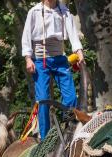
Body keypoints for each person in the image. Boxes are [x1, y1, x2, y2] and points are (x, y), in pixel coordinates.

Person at [22, 0, 85, 140]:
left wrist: (79, 53)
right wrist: (28, 58)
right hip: (40, 59)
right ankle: (44, 138)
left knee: (71, 97)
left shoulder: (64, 11)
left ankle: (69, 130)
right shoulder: (34, 11)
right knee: (43, 99)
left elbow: (73, 36)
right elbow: (26, 38)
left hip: (59, 59)